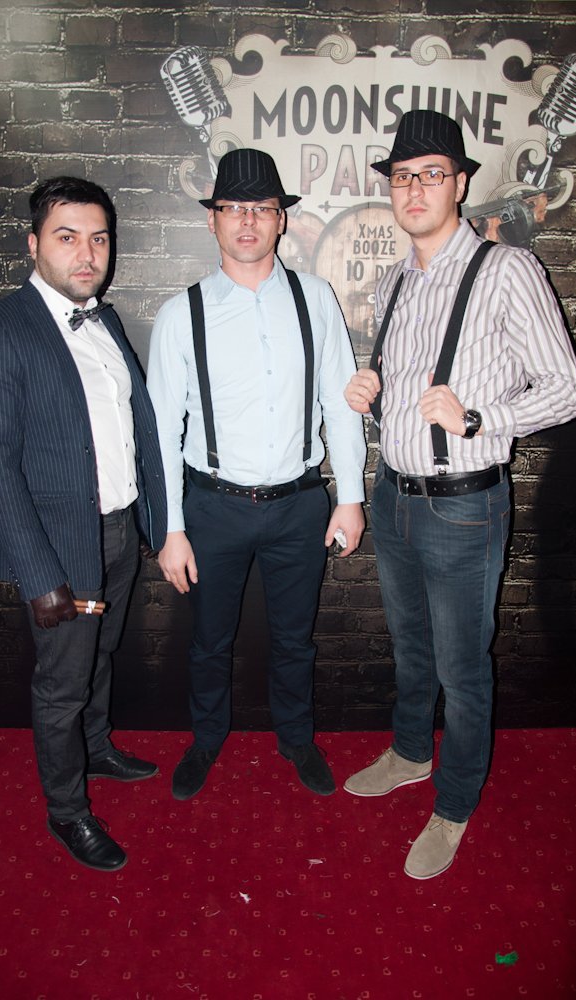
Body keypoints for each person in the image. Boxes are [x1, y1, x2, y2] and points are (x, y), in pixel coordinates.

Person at [343, 111, 576, 879]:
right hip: (393, 497)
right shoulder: (393, 280)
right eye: (402, 176)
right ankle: (411, 752)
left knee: (462, 667)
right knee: (412, 649)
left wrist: (479, 418)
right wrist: (372, 396)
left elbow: (569, 390)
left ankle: (453, 804)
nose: (414, 188)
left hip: (463, 507)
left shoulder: (508, 270)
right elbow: (410, 395)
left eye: (431, 174)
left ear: (459, 183)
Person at [0, 177, 168, 872]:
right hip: (60, 548)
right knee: (62, 684)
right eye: (67, 237)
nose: (87, 253)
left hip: (118, 533)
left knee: (101, 655)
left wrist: (151, 522)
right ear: (33, 244)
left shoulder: (105, 322)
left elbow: (134, 428)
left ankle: (96, 748)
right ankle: (67, 811)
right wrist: (39, 575)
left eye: (98, 238)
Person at [147, 148, 366, 800]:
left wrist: (350, 497)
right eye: (233, 208)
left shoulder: (316, 299)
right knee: (208, 641)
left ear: (281, 220)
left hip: (300, 504)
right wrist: (171, 528)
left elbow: (340, 404)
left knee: (296, 640)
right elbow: (160, 434)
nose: (247, 221)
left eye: (261, 208)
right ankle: (206, 739)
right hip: (212, 507)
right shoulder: (181, 314)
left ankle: (296, 737)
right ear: (212, 219)